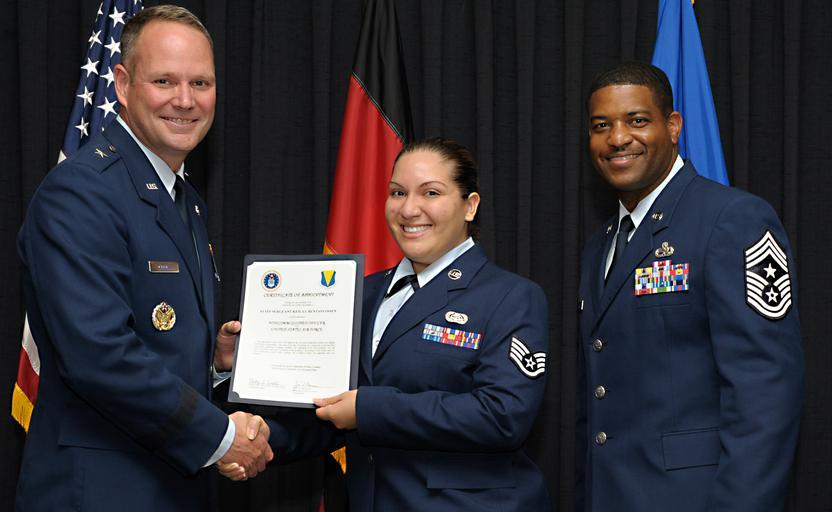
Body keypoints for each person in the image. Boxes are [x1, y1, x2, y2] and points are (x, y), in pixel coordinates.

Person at [16, 6, 271, 511]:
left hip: (171, 485)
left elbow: (155, 336)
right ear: (122, 84)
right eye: (164, 81)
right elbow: (99, 356)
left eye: (201, 83)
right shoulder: (81, 193)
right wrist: (222, 437)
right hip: (100, 492)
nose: (185, 100)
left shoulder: (184, 199)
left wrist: (214, 363)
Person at [221, 137, 552, 511]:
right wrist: (261, 435)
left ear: (470, 206)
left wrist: (368, 409)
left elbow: (502, 417)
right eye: (397, 192)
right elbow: (328, 411)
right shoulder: (360, 293)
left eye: (430, 193)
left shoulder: (512, 297)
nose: (409, 209)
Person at [576, 61, 804, 511]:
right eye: (602, 125)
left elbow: (765, 395)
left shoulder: (733, 220)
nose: (617, 138)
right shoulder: (599, 245)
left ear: (673, 126)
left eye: (636, 120)